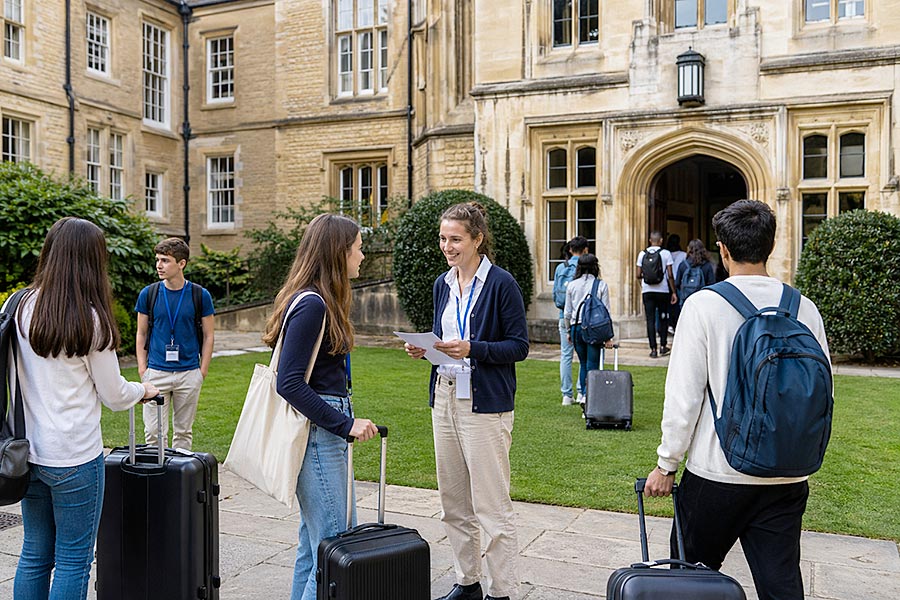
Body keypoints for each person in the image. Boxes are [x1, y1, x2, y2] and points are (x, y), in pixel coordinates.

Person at [644, 200, 831, 600]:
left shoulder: (705, 305)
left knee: (687, 577)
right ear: (772, 245)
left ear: (723, 250)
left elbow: (684, 395)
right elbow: (825, 392)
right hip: (788, 475)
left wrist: (666, 463)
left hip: (719, 473)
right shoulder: (804, 308)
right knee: (781, 584)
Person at [10, 217, 159, 599]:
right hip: (74, 455)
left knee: (34, 552)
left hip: (27, 451)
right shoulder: (91, 319)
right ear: (92, 261)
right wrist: (143, 389)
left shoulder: (20, 306)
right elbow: (113, 395)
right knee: (74, 558)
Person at [404, 202, 529, 600]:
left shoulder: (501, 284)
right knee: (453, 502)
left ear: (477, 240)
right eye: (443, 238)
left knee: (491, 507)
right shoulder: (443, 283)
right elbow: (446, 337)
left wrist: (473, 348)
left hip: (484, 402)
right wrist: (427, 348)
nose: (447, 246)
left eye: (455, 239)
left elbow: (519, 346)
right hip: (443, 396)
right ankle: (467, 582)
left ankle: (502, 591)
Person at [262, 213, 379, 600]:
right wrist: (344, 424)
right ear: (338, 252)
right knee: (334, 550)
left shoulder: (318, 299)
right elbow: (289, 382)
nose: (362, 256)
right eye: (358, 248)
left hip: (321, 427)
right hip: (319, 433)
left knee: (312, 549)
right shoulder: (313, 304)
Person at [135, 238, 215, 450]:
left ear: (182, 264)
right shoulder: (148, 294)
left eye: (165, 260)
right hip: (156, 373)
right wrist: (143, 369)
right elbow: (141, 333)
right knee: (153, 432)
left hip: (188, 373)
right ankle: (156, 478)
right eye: (157, 260)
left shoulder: (200, 295)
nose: (158, 265)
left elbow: (209, 335)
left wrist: (202, 371)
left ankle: (180, 481)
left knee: (183, 432)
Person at [563, 254, 611, 405]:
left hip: (576, 327)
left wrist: (568, 330)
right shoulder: (601, 285)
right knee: (593, 364)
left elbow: (567, 312)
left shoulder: (572, 285)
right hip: (593, 328)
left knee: (583, 363)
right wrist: (608, 335)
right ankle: (587, 396)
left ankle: (583, 393)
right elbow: (606, 312)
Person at [552, 236, 589, 405]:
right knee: (584, 356)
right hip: (583, 318)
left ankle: (566, 395)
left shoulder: (561, 267)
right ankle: (582, 391)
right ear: (585, 250)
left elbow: (555, 294)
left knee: (566, 356)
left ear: (569, 250)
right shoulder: (586, 267)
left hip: (563, 316)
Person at [636, 231, 677, 358]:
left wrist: (643, 285)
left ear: (650, 240)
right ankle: (663, 346)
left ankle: (653, 349)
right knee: (663, 318)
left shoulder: (642, 254)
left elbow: (638, 275)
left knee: (650, 319)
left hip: (647, 291)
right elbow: (670, 275)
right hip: (663, 291)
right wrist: (674, 292)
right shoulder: (666, 254)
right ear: (661, 241)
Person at [675, 239, 715, 306]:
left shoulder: (683, 265)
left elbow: (677, 283)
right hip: (702, 300)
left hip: (686, 300)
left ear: (689, 249)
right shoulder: (707, 265)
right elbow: (711, 283)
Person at [665, 234, 687, 332]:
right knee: (678, 304)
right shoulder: (683, 255)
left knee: (668, 305)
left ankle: (669, 324)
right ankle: (676, 325)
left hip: (666, 282)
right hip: (678, 281)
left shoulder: (666, 254)